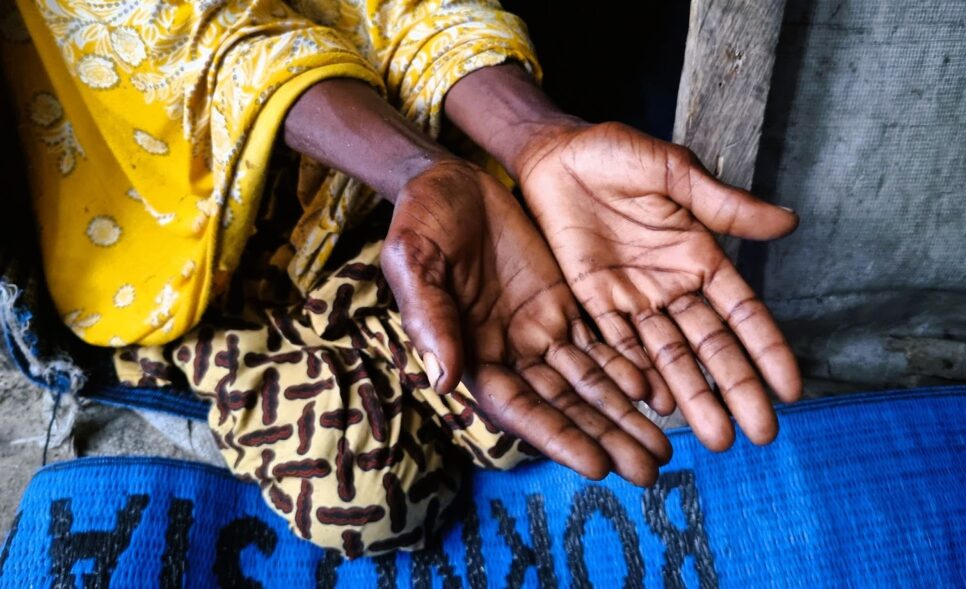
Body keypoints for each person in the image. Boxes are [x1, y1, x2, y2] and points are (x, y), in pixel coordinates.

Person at [0, 0, 800, 556]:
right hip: (168, 183)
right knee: (363, 486)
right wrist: (417, 167)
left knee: (537, 392)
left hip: (402, 125)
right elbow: (165, 35)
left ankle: (422, 237)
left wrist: (532, 136)